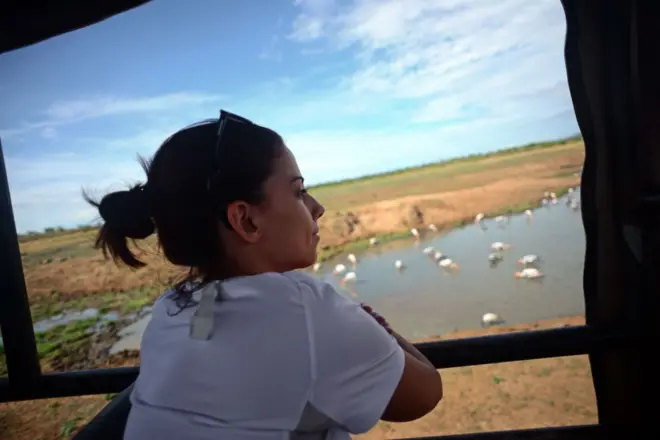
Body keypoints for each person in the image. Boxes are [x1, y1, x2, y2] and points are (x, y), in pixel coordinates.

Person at [84, 110, 443, 440]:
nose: (317, 207)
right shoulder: (304, 308)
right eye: (299, 191)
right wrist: (378, 327)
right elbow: (424, 394)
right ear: (246, 220)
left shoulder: (172, 311)